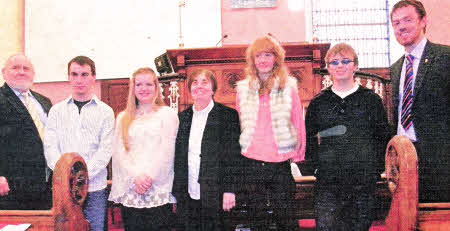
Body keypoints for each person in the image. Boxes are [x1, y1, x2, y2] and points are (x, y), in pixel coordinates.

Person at [305, 43, 391, 230]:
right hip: (329, 181)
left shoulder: (371, 100)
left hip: (362, 180)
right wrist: (315, 168)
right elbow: (309, 139)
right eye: (334, 62)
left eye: (345, 61)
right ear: (328, 68)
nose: (340, 66)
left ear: (355, 66)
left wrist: (375, 169)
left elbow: (382, 136)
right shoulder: (319, 102)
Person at [235, 35, 306, 230]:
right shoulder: (243, 89)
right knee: (257, 218)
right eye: (258, 56)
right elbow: (240, 123)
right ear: (252, 60)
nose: (263, 60)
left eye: (268, 54)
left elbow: (297, 120)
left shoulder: (288, 86)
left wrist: (299, 153)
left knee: (286, 217)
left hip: (280, 160)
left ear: (276, 58)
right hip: (251, 160)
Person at [44, 56, 114, 231]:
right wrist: (67, 175)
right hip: (64, 190)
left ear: (93, 77)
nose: (79, 79)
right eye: (74, 74)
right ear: (68, 77)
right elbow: (50, 147)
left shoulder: (105, 112)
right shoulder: (56, 111)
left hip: (95, 188)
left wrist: (81, 176)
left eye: (84, 74)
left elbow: (105, 150)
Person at [390, 0, 450, 202]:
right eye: (396, 23)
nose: (401, 27)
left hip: (439, 160)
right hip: (404, 157)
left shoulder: (445, 57)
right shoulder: (396, 68)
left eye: (407, 20)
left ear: (423, 21)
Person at [108, 67, 178, 231]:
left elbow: (167, 151)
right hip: (132, 188)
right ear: (133, 88)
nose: (144, 88)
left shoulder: (167, 114)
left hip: (157, 189)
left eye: (148, 84)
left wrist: (149, 178)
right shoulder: (123, 118)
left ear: (156, 87)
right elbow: (119, 152)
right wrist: (135, 177)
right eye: (139, 84)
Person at [172, 69, 241, 231]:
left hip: (216, 193)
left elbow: (234, 157)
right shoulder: (182, 118)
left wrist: (230, 190)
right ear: (190, 89)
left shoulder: (227, 116)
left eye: (204, 82)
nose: (199, 86)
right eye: (195, 82)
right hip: (187, 194)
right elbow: (178, 158)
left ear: (213, 88)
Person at [0, 54, 52, 210]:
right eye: (15, 67)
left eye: (26, 68)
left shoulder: (44, 101)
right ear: (4, 72)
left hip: (44, 185)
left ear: (33, 74)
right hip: (11, 187)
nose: (21, 72)